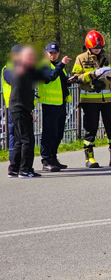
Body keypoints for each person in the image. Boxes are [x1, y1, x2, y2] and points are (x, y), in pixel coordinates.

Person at [8, 45, 70, 178]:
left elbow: (25, 92)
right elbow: (48, 78)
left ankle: (14, 168)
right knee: (27, 140)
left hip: (20, 107)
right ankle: (25, 170)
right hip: (20, 108)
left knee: (20, 140)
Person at [70, 30, 111, 168]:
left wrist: (110, 76)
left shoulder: (107, 57)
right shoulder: (81, 58)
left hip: (107, 100)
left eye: (100, 48)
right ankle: (89, 157)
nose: (98, 50)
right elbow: (76, 77)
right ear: (88, 46)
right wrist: (92, 75)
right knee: (91, 128)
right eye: (95, 48)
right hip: (90, 101)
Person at [37, 42, 71, 172]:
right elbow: (50, 77)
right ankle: (46, 160)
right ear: (46, 53)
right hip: (49, 104)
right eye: (50, 53)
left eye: (55, 52)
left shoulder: (57, 66)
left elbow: (63, 81)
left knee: (58, 133)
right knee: (49, 133)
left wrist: (70, 80)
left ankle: (53, 157)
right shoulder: (43, 65)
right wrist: (62, 64)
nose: (53, 55)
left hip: (60, 104)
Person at [2, 45, 22, 175]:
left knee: (21, 136)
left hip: (21, 106)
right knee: (14, 134)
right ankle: (13, 164)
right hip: (12, 106)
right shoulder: (8, 68)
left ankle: (19, 163)